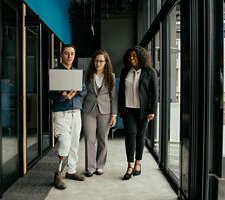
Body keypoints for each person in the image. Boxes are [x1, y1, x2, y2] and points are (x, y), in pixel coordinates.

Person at [49, 44, 87, 190]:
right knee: (65, 143)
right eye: (66, 53)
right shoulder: (55, 72)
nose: (69, 56)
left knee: (74, 143)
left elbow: (84, 90)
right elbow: (49, 93)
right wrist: (62, 95)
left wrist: (73, 92)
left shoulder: (77, 72)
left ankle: (71, 171)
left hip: (76, 112)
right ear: (61, 55)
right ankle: (58, 174)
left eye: (72, 53)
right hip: (61, 112)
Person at [118, 45, 158, 180]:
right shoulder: (125, 71)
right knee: (130, 134)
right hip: (128, 108)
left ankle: (138, 163)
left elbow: (155, 93)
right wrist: (120, 109)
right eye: (130, 56)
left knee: (140, 136)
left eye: (134, 56)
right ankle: (129, 165)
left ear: (141, 56)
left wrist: (152, 110)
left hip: (143, 110)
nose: (131, 58)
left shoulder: (149, 72)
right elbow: (120, 92)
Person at [82, 49, 117, 177]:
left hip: (105, 111)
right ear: (93, 62)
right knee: (89, 139)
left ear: (106, 62)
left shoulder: (111, 76)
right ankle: (90, 167)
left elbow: (114, 96)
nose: (99, 63)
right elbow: (82, 92)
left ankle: (100, 165)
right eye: (97, 61)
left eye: (101, 61)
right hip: (88, 110)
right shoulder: (87, 74)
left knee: (103, 139)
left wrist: (114, 114)